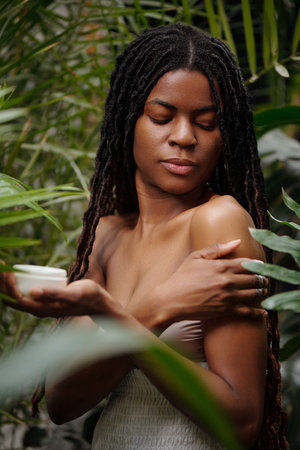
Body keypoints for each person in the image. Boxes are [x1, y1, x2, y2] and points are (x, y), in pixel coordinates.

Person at [1, 24, 288, 449]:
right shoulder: (106, 236)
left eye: (206, 123)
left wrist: (113, 316)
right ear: (127, 119)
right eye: (161, 117)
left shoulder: (217, 223)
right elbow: (63, 402)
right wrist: (161, 307)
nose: (184, 137)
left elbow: (241, 424)